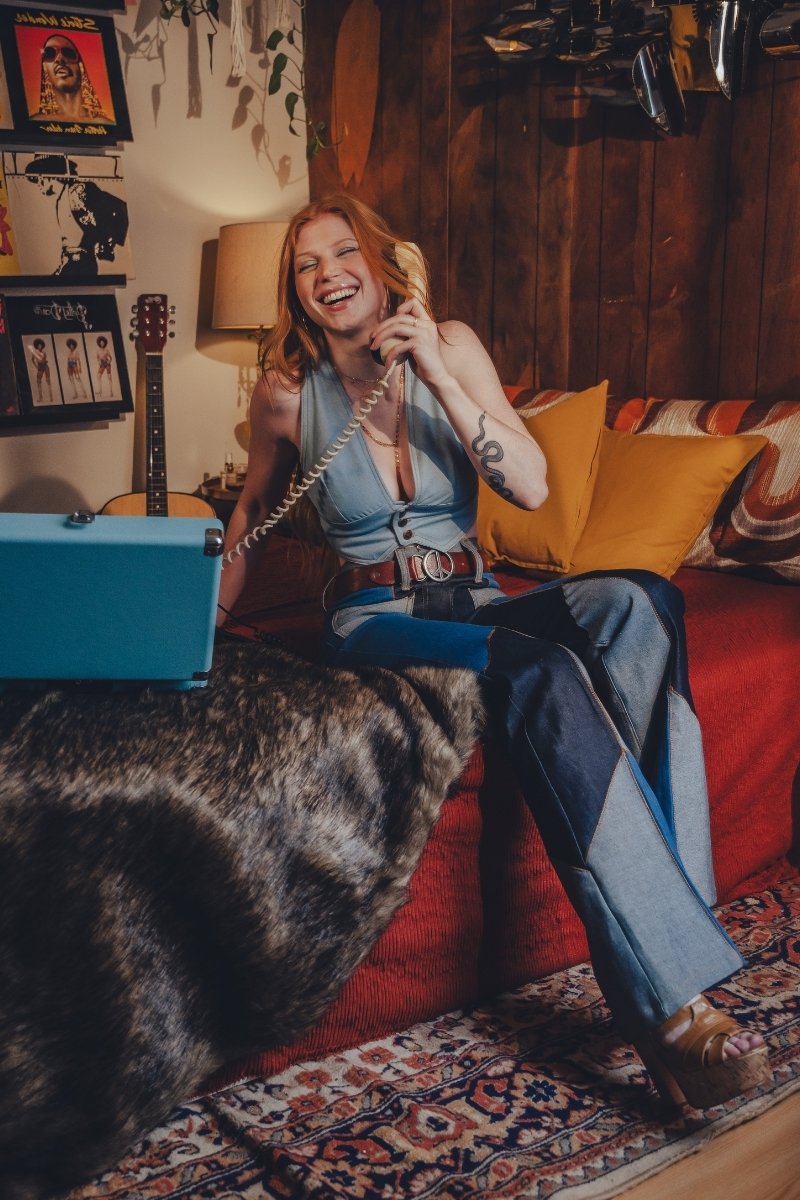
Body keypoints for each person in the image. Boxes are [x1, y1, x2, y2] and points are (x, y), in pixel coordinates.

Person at [218, 193, 770, 1112]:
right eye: (306, 265)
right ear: (295, 291)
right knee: (543, 672)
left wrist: (434, 368)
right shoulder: (288, 393)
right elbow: (249, 515)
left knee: (644, 601)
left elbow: (529, 478)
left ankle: (669, 906)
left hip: (475, 591)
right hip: (375, 617)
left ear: (387, 261)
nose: (327, 275)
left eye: (342, 252)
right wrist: (195, 628)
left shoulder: (455, 344)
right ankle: (669, 1005)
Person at [24, 154, 128, 276]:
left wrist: (108, 242)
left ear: (47, 175)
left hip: (82, 265)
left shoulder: (78, 190)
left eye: (38, 178)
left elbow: (121, 207)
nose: (38, 184)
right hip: (70, 264)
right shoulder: (60, 200)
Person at [31, 34, 112, 124]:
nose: (59, 59)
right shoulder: (36, 123)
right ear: (45, 69)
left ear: (81, 66)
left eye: (68, 53)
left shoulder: (104, 124)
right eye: (49, 53)